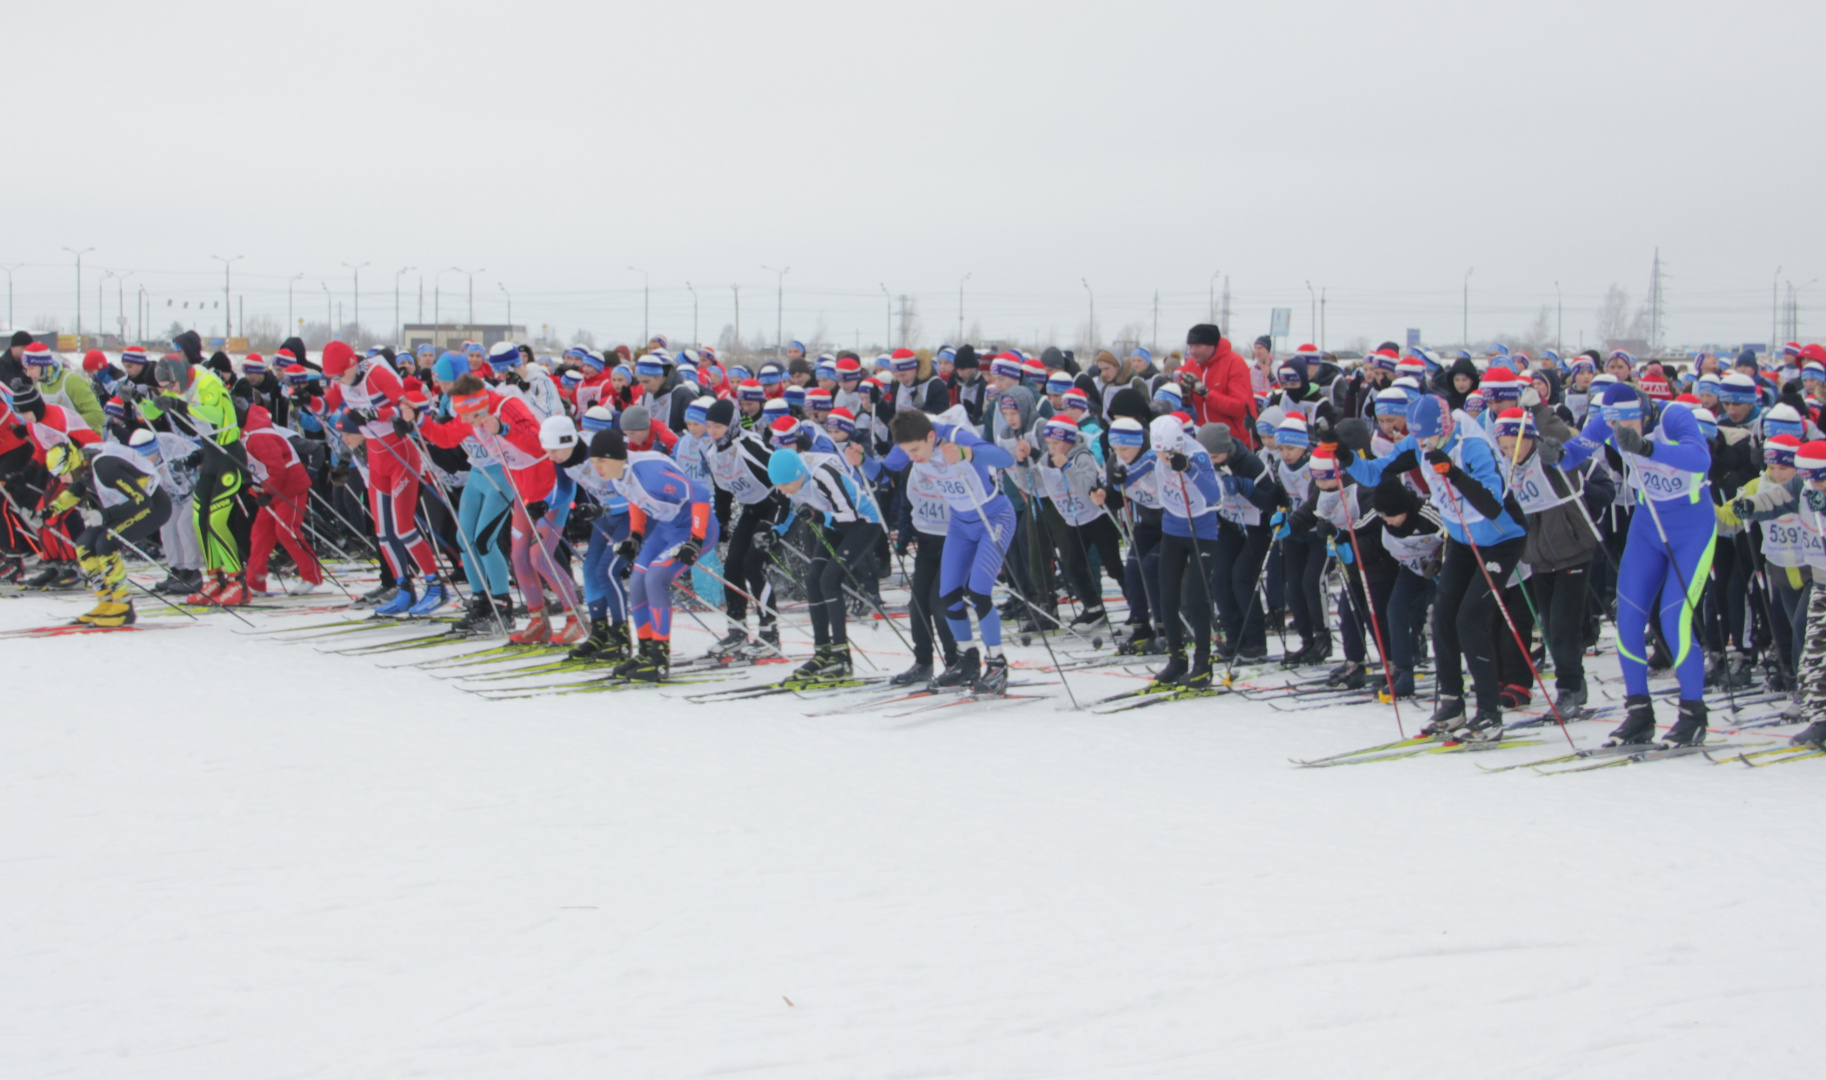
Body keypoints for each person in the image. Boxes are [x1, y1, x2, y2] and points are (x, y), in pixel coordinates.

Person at [1344, 394, 1528, 741]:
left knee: (1470, 618)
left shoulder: (1472, 444)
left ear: (1444, 428)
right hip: (1462, 537)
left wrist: (1453, 473)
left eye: (1428, 437)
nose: (1423, 444)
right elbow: (1372, 473)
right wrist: (1343, 455)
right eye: (1418, 438)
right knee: (1442, 614)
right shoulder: (1418, 441)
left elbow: (1491, 504)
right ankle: (1452, 703)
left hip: (1501, 539)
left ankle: (1489, 713)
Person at [1559, 383, 1715, 746]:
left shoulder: (1672, 417)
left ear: (1643, 411)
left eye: (1627, 420)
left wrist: (1647, 447)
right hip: (1647, 524)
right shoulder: (1607, 422)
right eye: (1612, 422)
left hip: (1691, 526)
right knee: (1628, 619)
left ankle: (1693, 713)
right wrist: (1552, 451)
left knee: (1675, 619)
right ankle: (1639, 712)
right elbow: (1571, 455)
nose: (1618, 429)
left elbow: (1700, 458)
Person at [884, 407, 1017, 694]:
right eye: (907, 451)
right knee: (947, 596)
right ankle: (966, 660)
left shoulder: (956, 435)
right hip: (960, 522)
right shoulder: (911, 444)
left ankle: (997, 663)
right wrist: (862, 462)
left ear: (931, 436)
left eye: (916, 450)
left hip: (993, 517)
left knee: (979, 591)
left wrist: (967, 454)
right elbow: (886, 468)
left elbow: (1006, 458)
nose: (913, 457)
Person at [325, 340, 450, 617]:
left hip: (400, 454)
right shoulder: (343, 380)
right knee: (383, 533)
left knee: (404, 528)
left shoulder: (378, 374)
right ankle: (403, 587)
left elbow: (405, 409)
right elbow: (326, 406)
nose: (338, 381)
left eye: (339, 375)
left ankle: (435, 585)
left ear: (350, 364)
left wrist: (374, 413)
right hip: (375, 458)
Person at [587, 427, 716, 680]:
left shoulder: (651, 475)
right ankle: (646, 650)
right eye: (593, 462)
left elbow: (700, 494)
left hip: (693, 528)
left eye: (601, 461)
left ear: (618, 457)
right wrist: (635, 535)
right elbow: (635, 497)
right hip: (666, 528)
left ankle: (659, 657)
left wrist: (695, 540)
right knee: (636, 580)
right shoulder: (618, 475)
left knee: (655, 578)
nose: (597, 468)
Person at [767, 442, 882, 682]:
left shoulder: (822, 474)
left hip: (862, 523)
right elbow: (787, 510)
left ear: (798, 475)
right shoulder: (790, 480)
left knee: (829, 580)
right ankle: (822, 651)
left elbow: (850, 515)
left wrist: (818, 515)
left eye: (785, 484)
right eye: (778, 485)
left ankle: (842, 656)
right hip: (832, 523)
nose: (783, 490)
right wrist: (774, 533)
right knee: (812, 581)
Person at [41, 435, 171, 625]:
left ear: (73, 464)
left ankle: (123, 606)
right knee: (84, 544)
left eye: (63, 473)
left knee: (106, 542)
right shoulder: (82, 468)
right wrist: (47, 512)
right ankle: (106, 601)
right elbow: (74, 492)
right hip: (125, 509)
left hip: (153, 507)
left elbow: (142, 500)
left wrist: (104, 515)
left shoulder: (105, 468)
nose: (62, 479)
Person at [702, 398, 787, 657]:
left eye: (718, 426)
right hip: (750, 509)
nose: (713, 431)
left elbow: (782, 471)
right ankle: (737, 629)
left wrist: (781, 519)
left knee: (752, 564)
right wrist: (723, 522)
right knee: (732, 566)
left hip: (773, 505)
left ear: (732, 424)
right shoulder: (712, 453)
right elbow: (722, 491)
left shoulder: (750, 446)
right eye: (709, 426)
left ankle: (769, 632)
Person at [1145, 413, 1225, 688]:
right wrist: (1113, 480)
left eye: (1167, 452)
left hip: (1201, 531)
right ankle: (1176, 659)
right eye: (1159, 452)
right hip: (1172, 528)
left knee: (1195, 598)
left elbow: (1215, 496)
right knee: (1166, 597)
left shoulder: (1197, 455)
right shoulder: (1156, 453)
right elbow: (1136, 470)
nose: (1163, 457)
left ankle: (1203, 663)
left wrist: (1188, 469)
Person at [241, 404, 323, 597]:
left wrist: (266, 492)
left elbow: (277, 468)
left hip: (290, 487)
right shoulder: (243, 435)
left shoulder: (259, 436)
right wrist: (254, 490)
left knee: (286, 531)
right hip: (271, 488)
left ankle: (311, 576)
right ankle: (256, 581)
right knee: (260, 534)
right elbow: (252, 468)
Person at [1178, 324, 1258, 446]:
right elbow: (1185, 407)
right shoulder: (1190, 365)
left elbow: (1241, 406)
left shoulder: (1235, 363)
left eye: (1198, 346)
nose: (1193, 351)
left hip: (1234, 441)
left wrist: (1206, 393)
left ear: (1212, 346)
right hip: (1202, 440)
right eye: (1191, 346)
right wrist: (1183, 395)